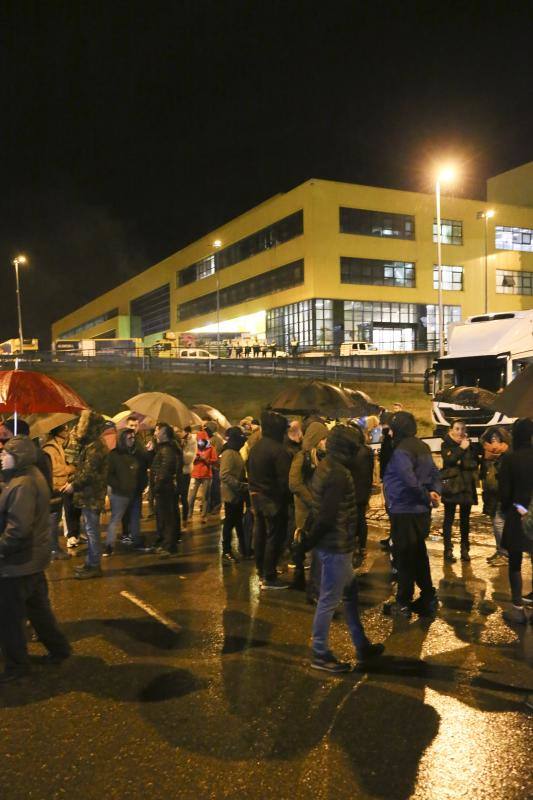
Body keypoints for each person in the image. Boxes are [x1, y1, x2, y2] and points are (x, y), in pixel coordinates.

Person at [305, 425, 385, 673]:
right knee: (329, 600)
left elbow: (318, 509)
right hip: (336, 547)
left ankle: (361, 644)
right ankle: (319, 653)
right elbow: (328, 516)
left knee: (349, 594)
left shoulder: (326, 466)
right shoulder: (339, 474)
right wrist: (307, 544)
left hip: (334, 545)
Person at [0, 435, 71, 682]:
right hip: (33, 561)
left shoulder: (22, 484)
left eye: (6, 453)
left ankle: (17, 667)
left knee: (9, 619)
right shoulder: (28, 476)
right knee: (38, 610)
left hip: (17, 565)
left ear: (17, 457)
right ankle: (59, 649)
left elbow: (18, 530)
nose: (1, 456)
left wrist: (1, 548)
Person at [383, 411, 441, 618]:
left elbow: (408, 480)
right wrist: (434, 493)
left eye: (391, 429)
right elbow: (435, 473)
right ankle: (428, 596)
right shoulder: (422, 446)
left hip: (404, 509)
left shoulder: (401, 450)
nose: (389, 433)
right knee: (418, 553)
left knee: (404, 556)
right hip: (420, 512)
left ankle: (403, 602)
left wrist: (426, 495)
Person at [248, 410, 291, 589]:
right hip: (272, 499)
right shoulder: (279, 451)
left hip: (256, 496)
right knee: (274, 537)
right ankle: (270, 576)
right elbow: (284, 481)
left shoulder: (257, 447)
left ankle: (260, 568)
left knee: (260, 534)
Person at [63, 411, 109, 580]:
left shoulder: (96, 447)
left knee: (92, 531)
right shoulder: (92, 445)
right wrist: (72, 480)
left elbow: (88, 473)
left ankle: (94, 565)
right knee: (89, 530)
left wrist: (73, 485)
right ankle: (90, 562)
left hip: (92, 495)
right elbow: (83, 469)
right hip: (88, 495)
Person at [498, 418, 533, 624]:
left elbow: (505, 494)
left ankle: (518, 608)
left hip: (518, 515)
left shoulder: (510, 459)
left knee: (515, 562)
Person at [288, 421, 329, 592]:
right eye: (324, 438)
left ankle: (315, 585)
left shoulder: (321, 456)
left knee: (317, 549)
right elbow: (294, 483)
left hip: (317, 508)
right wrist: (312, 501)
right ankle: (311, 588)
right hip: (306, 510)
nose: (327, 441)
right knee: (308, 547)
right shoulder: (302, 456)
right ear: (317, 439)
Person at [104, 428, 150, 556]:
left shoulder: (138, 453)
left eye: (134, 438)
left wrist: (142, 485)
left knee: (135, 519)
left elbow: (144, 467)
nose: (133, 440)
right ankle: (109, 545)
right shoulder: (114, 455)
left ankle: (137, 541)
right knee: (115, 519)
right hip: (120, 494)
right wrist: (119, 486)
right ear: (123, 439)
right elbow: (109, 475)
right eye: (130, 438)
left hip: (135, 492)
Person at [440, 420, 479, 563]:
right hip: (451, 486)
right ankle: (448, 550)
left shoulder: (470, 445)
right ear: (451, 430)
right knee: (448, 519)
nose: (460, 432)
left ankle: (464, 549)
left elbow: (473, 463)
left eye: (463, 428)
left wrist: (460, 460)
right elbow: (449, 459)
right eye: (457, 428)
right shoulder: (446, 444)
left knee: (465, 520)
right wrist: (461, 450)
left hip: (466, 486)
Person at [42, 423, 76, 560]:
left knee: (54, 520)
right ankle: (53, 549)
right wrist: (71, 469)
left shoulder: (57, 446)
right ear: (59, 431)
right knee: (53, 520)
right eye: (65, 430)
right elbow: (55, 468)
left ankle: (54, 547)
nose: (67, 432)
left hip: (58, 487)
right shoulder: (50, 448)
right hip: (54, 489)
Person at [479, 426, 511, 565]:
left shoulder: (507, 453)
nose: (494, 442)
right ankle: (500, 550)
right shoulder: (486, 455)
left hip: (502, 492)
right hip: (490, 493)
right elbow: (482, 474)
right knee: (496, 522)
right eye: (491, 439)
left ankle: (504, 553)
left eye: (497, 438)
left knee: (499, 522)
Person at [150, 422, 182, 557]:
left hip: (165, 488)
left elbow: (165, 470)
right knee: (166, 517)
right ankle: (166, 543)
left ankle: (169, 546)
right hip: (164, 487)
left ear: (164, 434)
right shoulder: (163, 448)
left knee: (168, 517)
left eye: (158, 431)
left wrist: (156, 486)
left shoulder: (167, 450)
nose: (155, 433)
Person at [220, 426, 248, 562]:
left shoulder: (234, 452)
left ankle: (243, 548)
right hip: (231, 495)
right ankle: (226, 550)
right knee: (230, 523)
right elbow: (224, 475)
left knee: (238, 523)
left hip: (237, 494)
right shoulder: (229, 453)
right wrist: (240, 486)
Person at [347, 422, 374, 557]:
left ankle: (354, 545)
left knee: (352, 519)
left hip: (352, 490)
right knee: (361, 518)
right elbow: (370, 471)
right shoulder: (367, 450)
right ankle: (362, 545)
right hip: (364, 489)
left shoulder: (350, 451)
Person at [187, 430, 218, 523]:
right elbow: (188, 459)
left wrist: (205, 459)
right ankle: (189, 515)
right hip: (195, 474)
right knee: (191, 496)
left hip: (206, 475)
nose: (200, 442)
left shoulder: (211, 448)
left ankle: (204, 516)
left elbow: (215, 460)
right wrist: (194, 458)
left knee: (205, 496)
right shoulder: (194, 447)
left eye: (202, 440)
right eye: (198, 440)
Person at [178, 426, 196, 527]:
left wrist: (181, 450)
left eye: (180, 431)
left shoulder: (192, 441)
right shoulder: (176, 440)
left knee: (184, 497)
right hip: (175, 472)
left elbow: (188, 459)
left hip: (185, 472)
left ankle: (185, 518)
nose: (179, 433)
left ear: (187, 432)